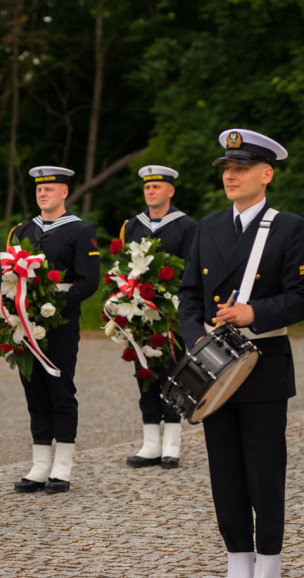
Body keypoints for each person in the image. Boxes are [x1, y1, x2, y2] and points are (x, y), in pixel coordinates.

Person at [179, 130, 304, 578]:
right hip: (214, 369)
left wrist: (252, 311)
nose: (230, 175)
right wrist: (196, 338)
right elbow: (189, 298)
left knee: (264, 476)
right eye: (226, 167)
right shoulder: (208, 227)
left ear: (267, 174)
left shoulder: (288, 228)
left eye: (241, 168)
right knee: (226, 477)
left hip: (262, 368)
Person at [10, 166, 100, 494]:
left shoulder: (79, 230)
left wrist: (54, 304)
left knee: (60, 389)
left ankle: (62, 465)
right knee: (33, 388)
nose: (43, 193)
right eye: (39, 189)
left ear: (64, 192)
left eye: (50, 189)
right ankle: (40, 463)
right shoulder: (23, 231)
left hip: (60, 322)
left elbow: (89, 280)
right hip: (26, 323)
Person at [119, 165, 197, 469]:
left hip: (173, 313)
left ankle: (172, 444)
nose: (151, 191)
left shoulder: (187, 226)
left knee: (174, 373)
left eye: (157, 187)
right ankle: (150, 442)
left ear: (170, 191)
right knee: (144, 373)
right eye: (147, 187)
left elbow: (191, 269)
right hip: (140, 312)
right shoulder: (132, 226)